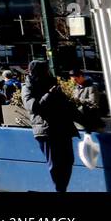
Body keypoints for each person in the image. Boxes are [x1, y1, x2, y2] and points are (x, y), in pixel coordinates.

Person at [23, 59, 77, 192]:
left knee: (68, 161)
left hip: (63, 128)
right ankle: (60, 190)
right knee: (55, 164)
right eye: (45, 70)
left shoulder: (52, 83)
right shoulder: (27, 87)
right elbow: (34, 107)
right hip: (46, 130)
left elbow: (66, 105)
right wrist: (49, 95)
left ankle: (62, 188)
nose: (48, 72)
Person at [69, 68, 106, 133]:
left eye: (75, 79)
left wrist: (79, 100)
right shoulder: (76, 88)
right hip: (82, 124)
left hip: (94, 123)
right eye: (72, 80)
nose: (74, 81)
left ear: (80, 76)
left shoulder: (91, 87)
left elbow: (94, 102)